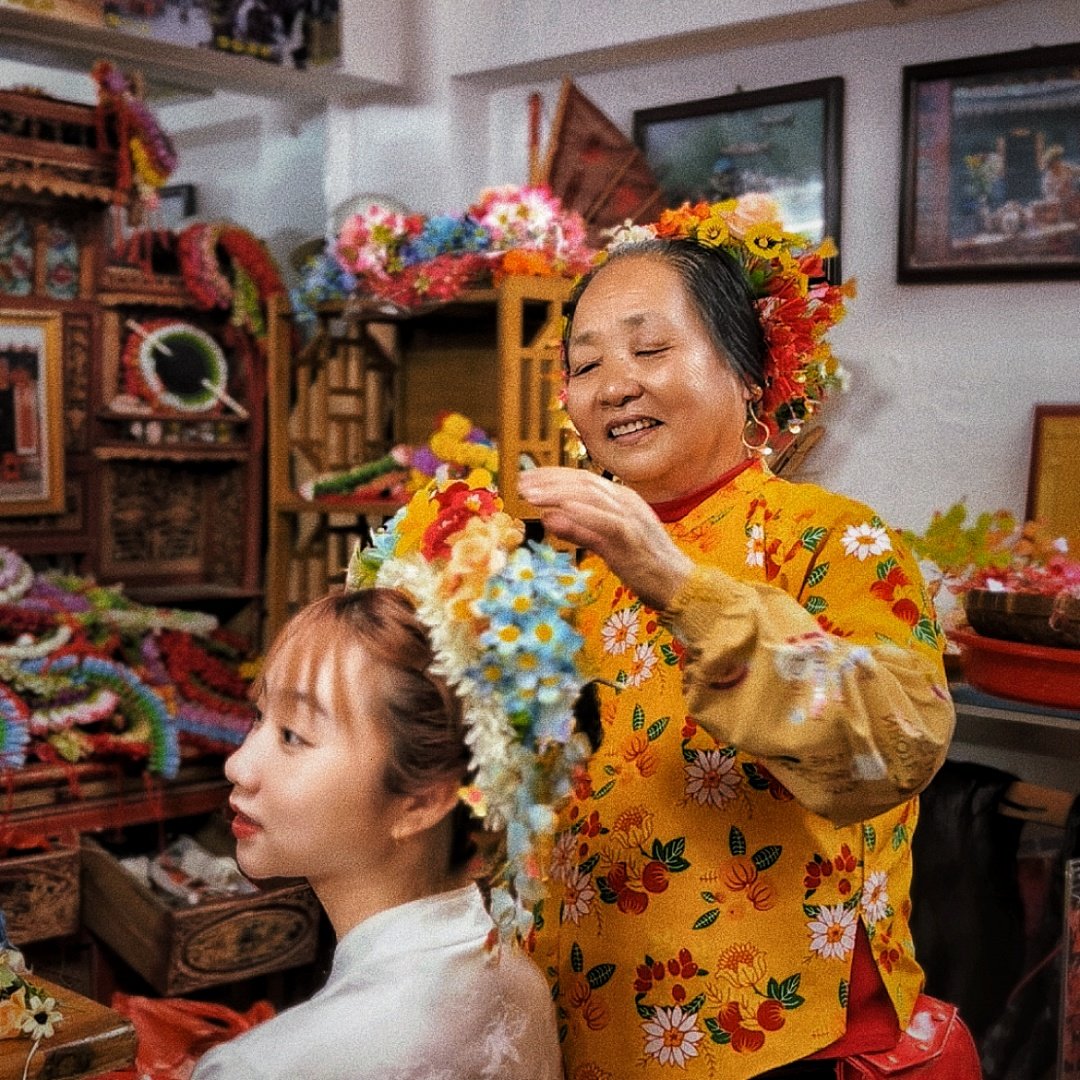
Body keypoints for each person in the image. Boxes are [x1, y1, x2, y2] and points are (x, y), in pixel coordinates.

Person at [517, 197, 973, 1078]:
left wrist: (678, 585)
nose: (614, 384)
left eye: (651, 350)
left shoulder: (832, 538)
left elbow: (894, 744)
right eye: (585, 364)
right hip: (586, 1012)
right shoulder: (566, 565)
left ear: (748, 374)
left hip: (775, 1037)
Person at [191, 586, 563, 1080]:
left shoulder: (261, 1069)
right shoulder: (519, 983)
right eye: (260, 716)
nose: (238, 765)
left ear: (422, 800)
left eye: (293, 736)